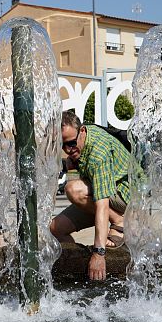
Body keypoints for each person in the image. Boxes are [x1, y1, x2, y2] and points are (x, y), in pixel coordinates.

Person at [50, 111, 130, 281]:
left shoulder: (98, 153)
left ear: (83, 131)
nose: (68, 150)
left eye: (71, 143)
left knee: (74, 190)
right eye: (62, 145)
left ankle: (119, 221)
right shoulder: (75, 150)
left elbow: (102, 204)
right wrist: (71, 168)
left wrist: (98, 253)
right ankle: (77, 268)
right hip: (103, 193)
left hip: (126, 194)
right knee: (56, 229)